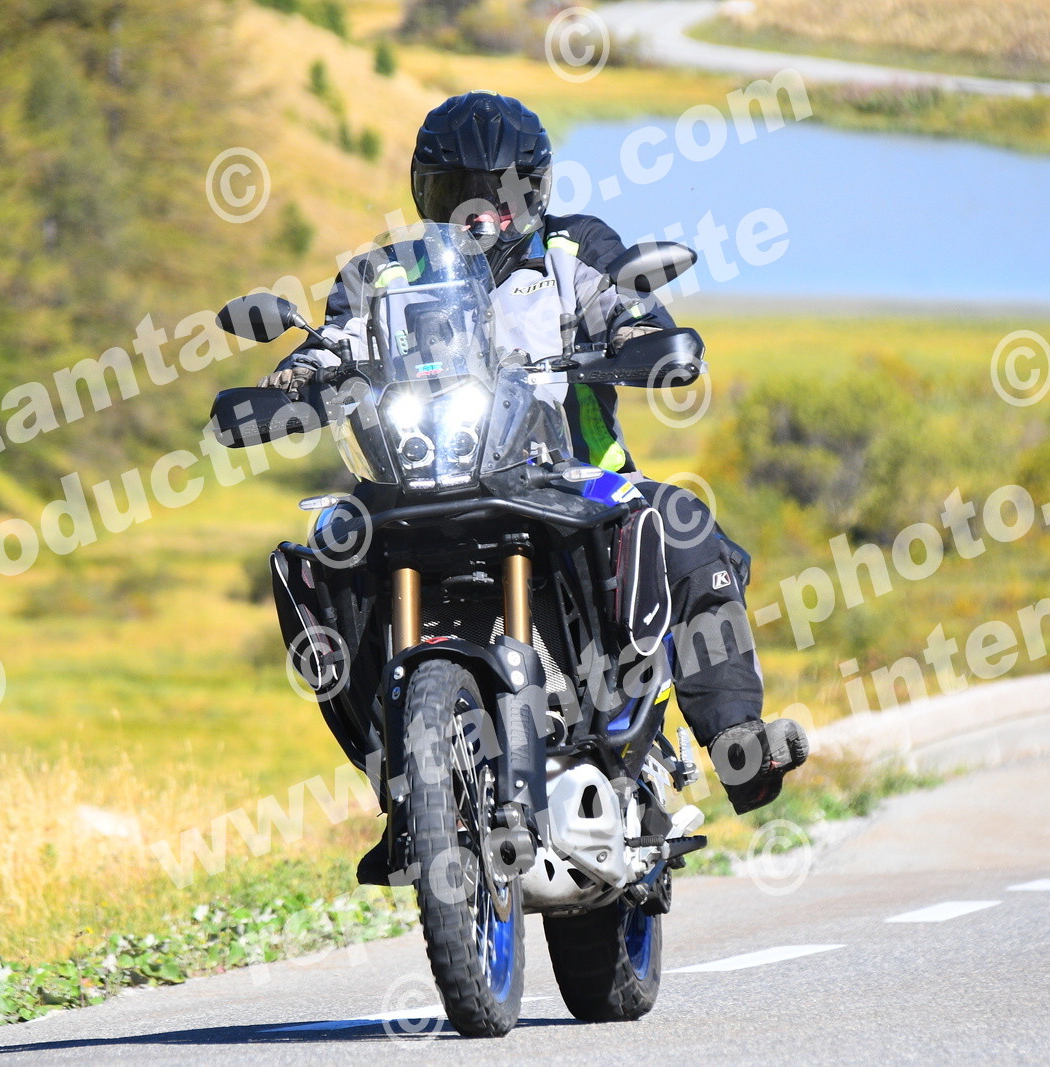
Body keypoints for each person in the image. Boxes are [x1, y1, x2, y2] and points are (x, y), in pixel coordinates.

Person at [260, 90, 806, 833]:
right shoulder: (382, 273)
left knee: (681, 524)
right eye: (456, 194)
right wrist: (298, 375)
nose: (479, 215)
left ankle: (739, 741)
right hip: (419, 480)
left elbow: (625, 305)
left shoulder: (574, 250)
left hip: (574, 480)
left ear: (535, 190)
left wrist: (639, 335)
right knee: (323, 556)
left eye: (499, 194)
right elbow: (336, 340)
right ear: (424, 194)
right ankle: (393, 761)